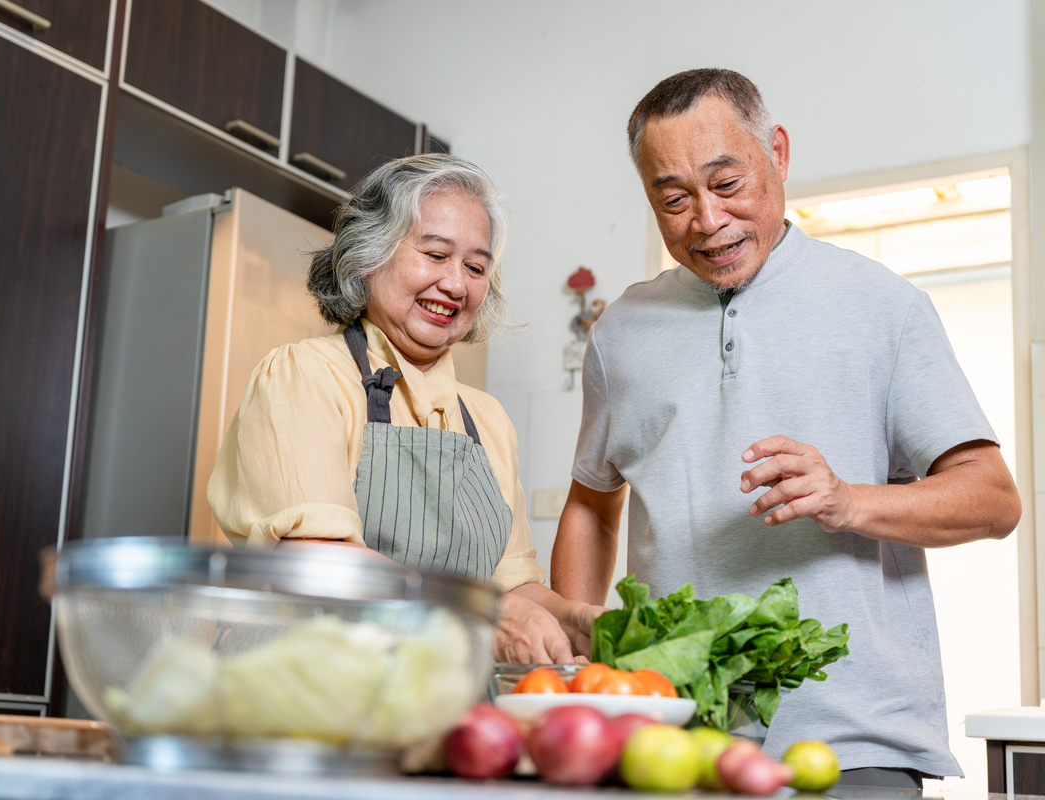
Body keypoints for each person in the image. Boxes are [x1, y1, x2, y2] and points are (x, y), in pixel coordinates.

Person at [552, 68, 1021, 787]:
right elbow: (592, 501)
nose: (707, 221)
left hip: (854, 745)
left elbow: (993, 500)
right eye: (673, 199)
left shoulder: (882, 306)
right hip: (671, 736)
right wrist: (581, 668)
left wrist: (847, 500)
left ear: (778, 152)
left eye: (727, 184)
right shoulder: (620, 332)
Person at [207, 153, 602, 663]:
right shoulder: (304, 375)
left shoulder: (486, 421)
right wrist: (480, 615)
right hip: (303, 695)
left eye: (476, 267)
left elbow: (512, 586)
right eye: (436, 255)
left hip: (435, 707)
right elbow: (317, 558)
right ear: (369, 255)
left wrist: (580, 620)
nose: (457, 284)